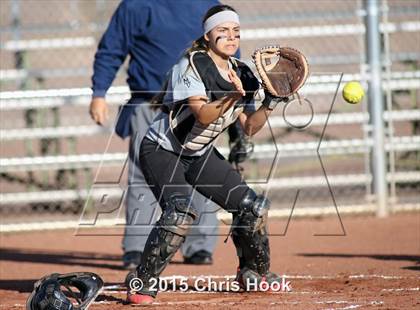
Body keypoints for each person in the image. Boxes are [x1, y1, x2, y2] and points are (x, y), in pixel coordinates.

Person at [126, 4, 284, 305]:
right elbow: (202, 115)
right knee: (180, 213)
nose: (231, 36)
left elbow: (249, 127)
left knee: (252, 206)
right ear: (208, 35)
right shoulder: (191, 65)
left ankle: (253, 272)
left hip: (198, 153)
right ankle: (141, 282)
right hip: (163, 150)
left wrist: (270, 103)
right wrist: (233, 96)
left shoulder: (243, 74)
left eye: (236, 31)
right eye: (223, 30)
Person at [89, 0, 224, 268]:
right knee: (144, 174)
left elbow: (227, 53)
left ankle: (199, 246)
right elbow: (111, 49)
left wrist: (240, 104)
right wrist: (99, 93)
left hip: (199, 105)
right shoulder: (136, 5)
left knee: (200, 171)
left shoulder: (208, 5)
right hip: (149, 102)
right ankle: (138, 248)